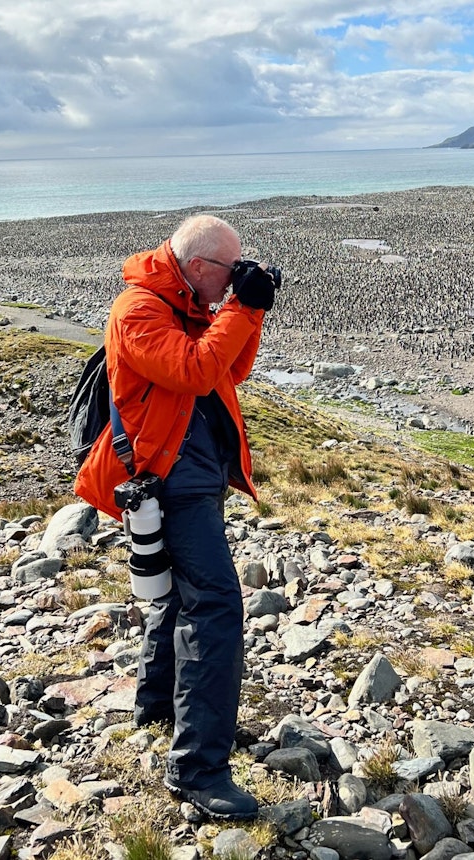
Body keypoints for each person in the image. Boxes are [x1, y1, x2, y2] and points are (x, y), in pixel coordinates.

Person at [74, 214, 278, 820]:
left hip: (197, 472)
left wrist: (251, 309)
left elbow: (227, 371)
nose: (233, 280)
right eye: (229, 270)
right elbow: (193, 370)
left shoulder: (185, 299)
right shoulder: (138, 309)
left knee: (177, 601)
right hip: (168, 481)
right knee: (214, 606)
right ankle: (198, 768)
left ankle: (161, 711)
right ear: (196, 266)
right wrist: (242, 307)